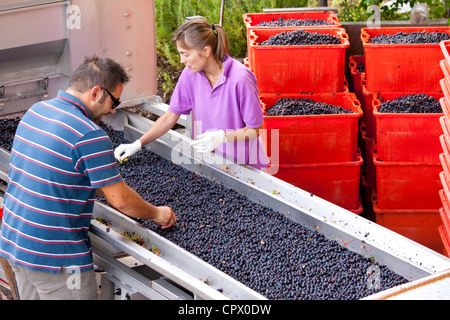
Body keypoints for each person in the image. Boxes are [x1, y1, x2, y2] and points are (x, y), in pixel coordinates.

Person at [0, 56, 177, 300]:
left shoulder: (36, 111)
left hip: (16, 243)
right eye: (114, 101)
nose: (113, 109)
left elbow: (55, 172)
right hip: (58, 261)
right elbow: (122, 201)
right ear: (96, 92)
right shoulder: (89, 135)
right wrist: (158, 213)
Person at [114, 17, 270, 169]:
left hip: (245, 166)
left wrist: (222, 137)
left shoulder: (240, 79)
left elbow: (255, 129)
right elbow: (170, 116)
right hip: (214, 162)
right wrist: (138, 143)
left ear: (206, 51)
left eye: (186, 54)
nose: (182, 60)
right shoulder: (190, 75)